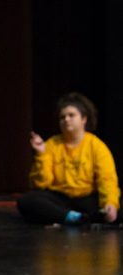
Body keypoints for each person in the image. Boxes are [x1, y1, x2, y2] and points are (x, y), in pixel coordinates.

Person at [17, 92, 119, 225]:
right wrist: (41, 154)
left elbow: (107, 180)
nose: (66, 120)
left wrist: (110, 204)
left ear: (84, 119)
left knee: (116, 206)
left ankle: (76, 217)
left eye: (71, 115)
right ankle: (76, 218)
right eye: (62, 117)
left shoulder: (97, 146)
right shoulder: (51, 145)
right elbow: (41, 184)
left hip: (87, 198)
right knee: (27, 201)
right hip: (60, 199)